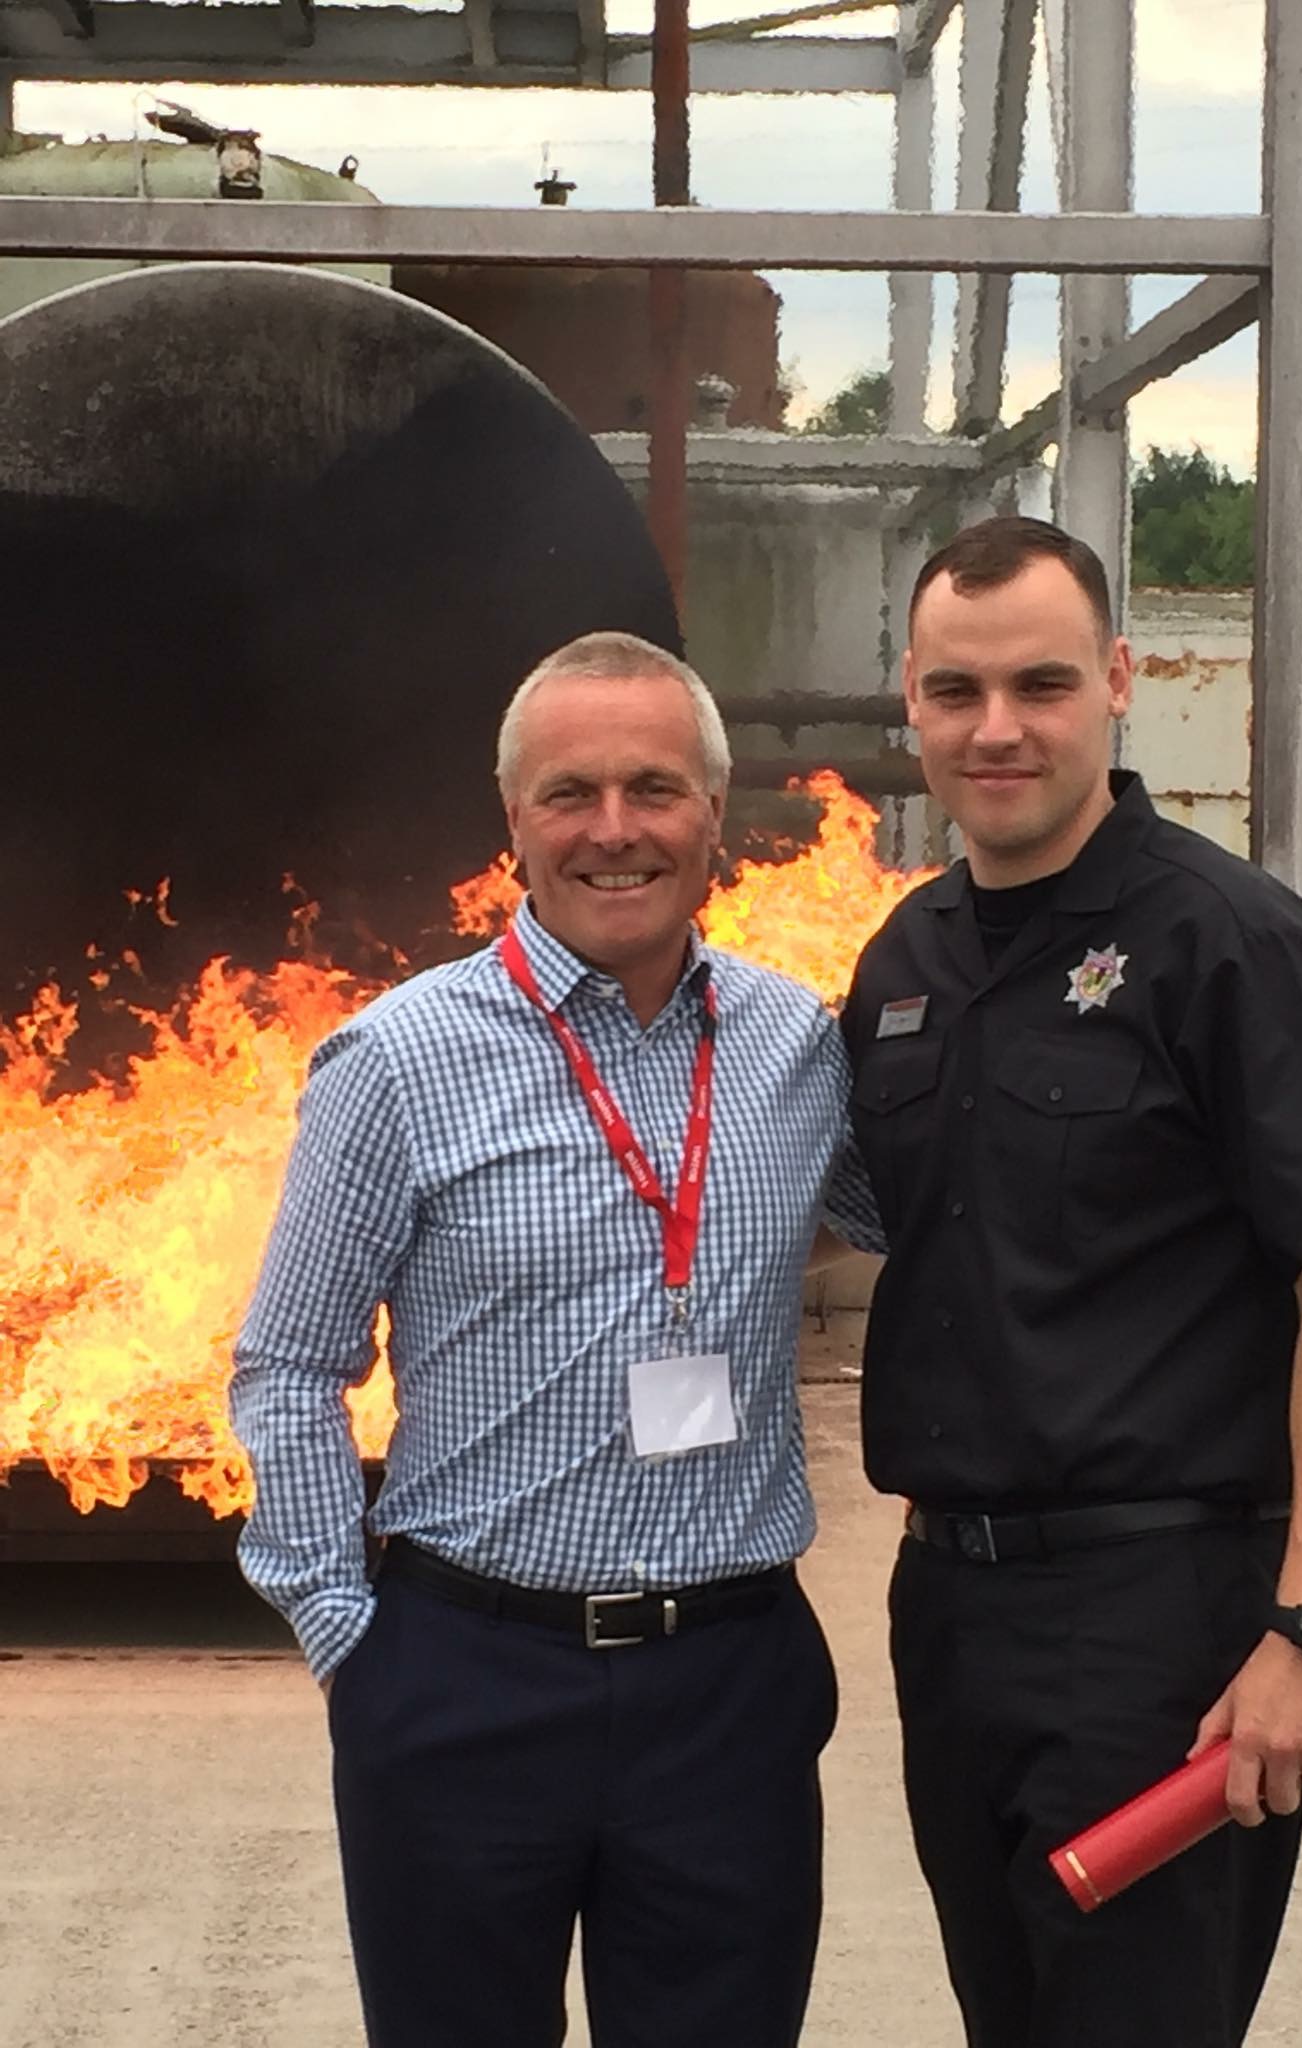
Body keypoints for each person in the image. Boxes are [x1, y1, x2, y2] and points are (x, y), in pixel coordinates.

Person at [230, 630, 879, 2048]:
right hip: (467, 1678)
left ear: (714, 813)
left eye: (654, 788)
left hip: (729, 1687)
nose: (613, 830)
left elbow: (880, 1219)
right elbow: (288, 1367)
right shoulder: (397, 1060)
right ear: (511, 817)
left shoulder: (795, 1044)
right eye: (568, 792)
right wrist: (355, 1641)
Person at [838, 516, 1302, 2048]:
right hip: (950, 1611)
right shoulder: (904, 962)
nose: (998, 728)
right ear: (912, 697)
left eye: (1040, 683)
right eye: (957, 692)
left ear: (1118, 679)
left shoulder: (1229, 945)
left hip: (1164, 1627)